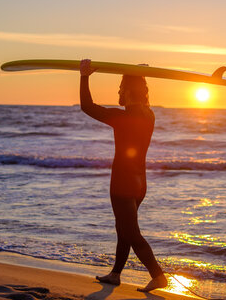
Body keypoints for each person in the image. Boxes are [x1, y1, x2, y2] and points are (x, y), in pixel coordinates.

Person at [79, 59, 167, 292]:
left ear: (128, 91)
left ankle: (158, 275)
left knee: (130, 232)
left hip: (122, 183)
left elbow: (87, 106)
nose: (118, 91)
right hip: (140, 183)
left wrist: (84, 76)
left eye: (121, 88)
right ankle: (115, 274)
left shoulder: (122, 118)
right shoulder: (149, 116)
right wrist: (137, 73)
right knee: (123, 229)